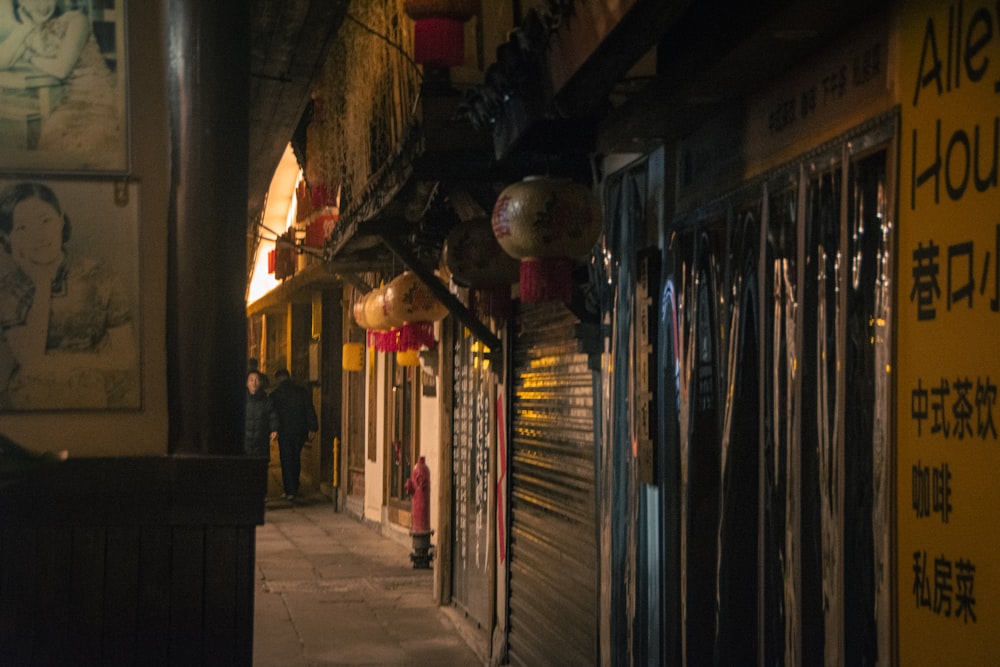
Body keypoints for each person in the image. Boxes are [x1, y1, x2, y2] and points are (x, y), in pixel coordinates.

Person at [0, 181, 136, 410]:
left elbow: (126, 356)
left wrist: (65, 362)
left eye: (46, 221)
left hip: (101, 400)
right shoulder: (8, 290)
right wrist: (43, 283)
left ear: (61, 220)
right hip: (32, 406)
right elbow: (32, 362)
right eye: (22, 228)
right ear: (7, 238)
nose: (39, 235)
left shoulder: (101, 277)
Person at [0, 0, 121, 155]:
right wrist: (26, 28)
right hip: (71, 99)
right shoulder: (31, 29)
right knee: (53, 136)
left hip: (100, 97)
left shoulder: (77, 20)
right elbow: (2, 61)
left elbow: (61, 69)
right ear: (22, 6)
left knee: (93, 140)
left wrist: (30, 58)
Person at [269, 368, 317, 500]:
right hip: (299, 430)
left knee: (286, 459)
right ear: (288, 377)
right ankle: (294, 487)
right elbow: (309, 408)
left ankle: (289, 489)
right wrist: (312, 427)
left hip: (284, 431)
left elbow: (271, 414)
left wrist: (273, 429)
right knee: (296, 457)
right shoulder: (301, 392)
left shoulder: (275, 394)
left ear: (278, 379)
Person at [244, 368, 277, 459]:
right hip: (244, 444)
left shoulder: (266, 401)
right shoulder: (241, 400)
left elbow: (273, 416)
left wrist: (274, 429)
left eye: (257, 380)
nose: (254, 383)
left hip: (261, 444)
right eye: (251, 380)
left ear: (261, 382)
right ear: (246, 383)